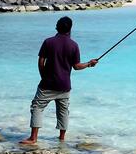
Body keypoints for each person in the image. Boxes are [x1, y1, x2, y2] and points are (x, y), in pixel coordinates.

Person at [20, 16, 98, 144]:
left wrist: (43, 76)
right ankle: (61, 138)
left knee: (37, 107)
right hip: (65, 86)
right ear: (70, 29)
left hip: (48, 84)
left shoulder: (48, 42)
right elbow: (77, 66)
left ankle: (33, 138)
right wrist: (89, 63)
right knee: (63, 111)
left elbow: (41, 61)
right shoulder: (74, 45)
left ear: (57, 27)